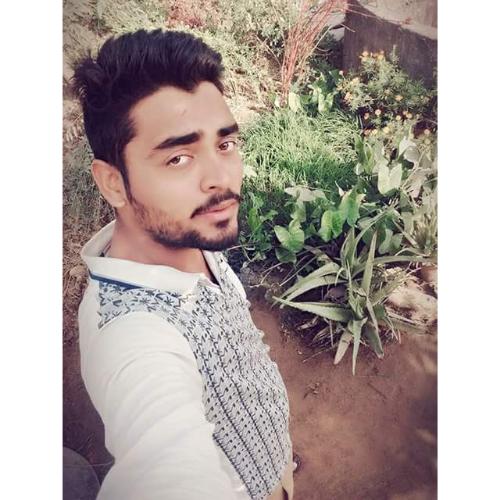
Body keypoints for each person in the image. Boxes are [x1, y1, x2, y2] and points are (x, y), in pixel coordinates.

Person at [72, 29, 295, 500]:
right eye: (178, 158)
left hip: (275, 457)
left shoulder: (188, 229)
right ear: (113, 183)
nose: (220, 179)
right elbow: (164, 459)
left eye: (225, 144)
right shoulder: (132, 337)